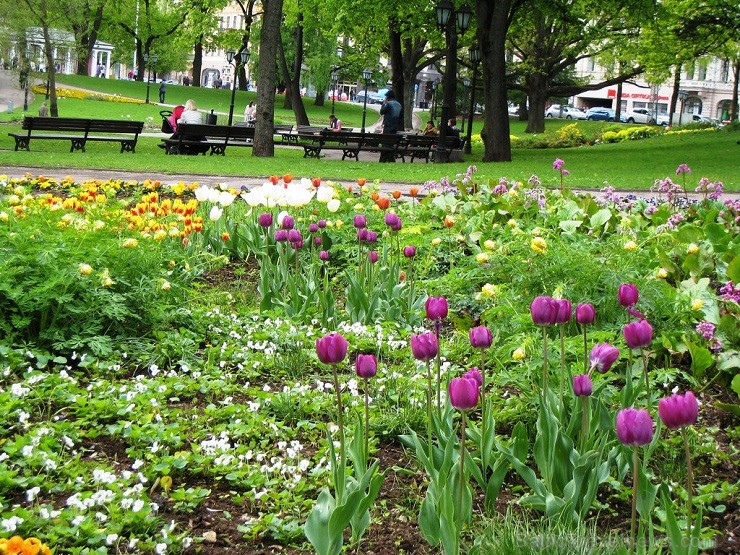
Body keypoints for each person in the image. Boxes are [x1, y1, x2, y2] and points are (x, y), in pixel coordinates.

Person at [378, 90, 402, 162]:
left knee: (385, 143)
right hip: (395, 127)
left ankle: (384, 158)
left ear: (388, 97)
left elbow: (382, 112)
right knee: (391, 143)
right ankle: (390, 158)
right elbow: (401, 117)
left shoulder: (389, 104)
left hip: (388, 126)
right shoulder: (399, 105)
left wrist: (384, 104)